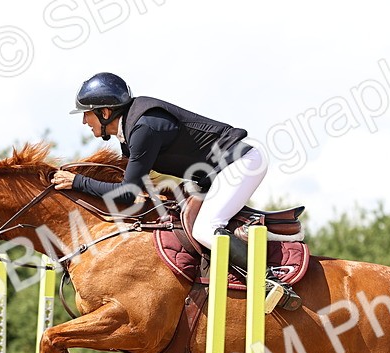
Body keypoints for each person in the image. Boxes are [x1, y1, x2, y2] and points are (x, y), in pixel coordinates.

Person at [52, 72, 298, 311]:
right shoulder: (130, 130)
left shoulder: (143, 129)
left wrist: (77, 182)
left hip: (241, 165)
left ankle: (271, 280)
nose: (84, 121)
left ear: (105, 112)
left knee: (205, 228)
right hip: (216, 173)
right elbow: (137, 193)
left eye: (86, 114)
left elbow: (128, 192)